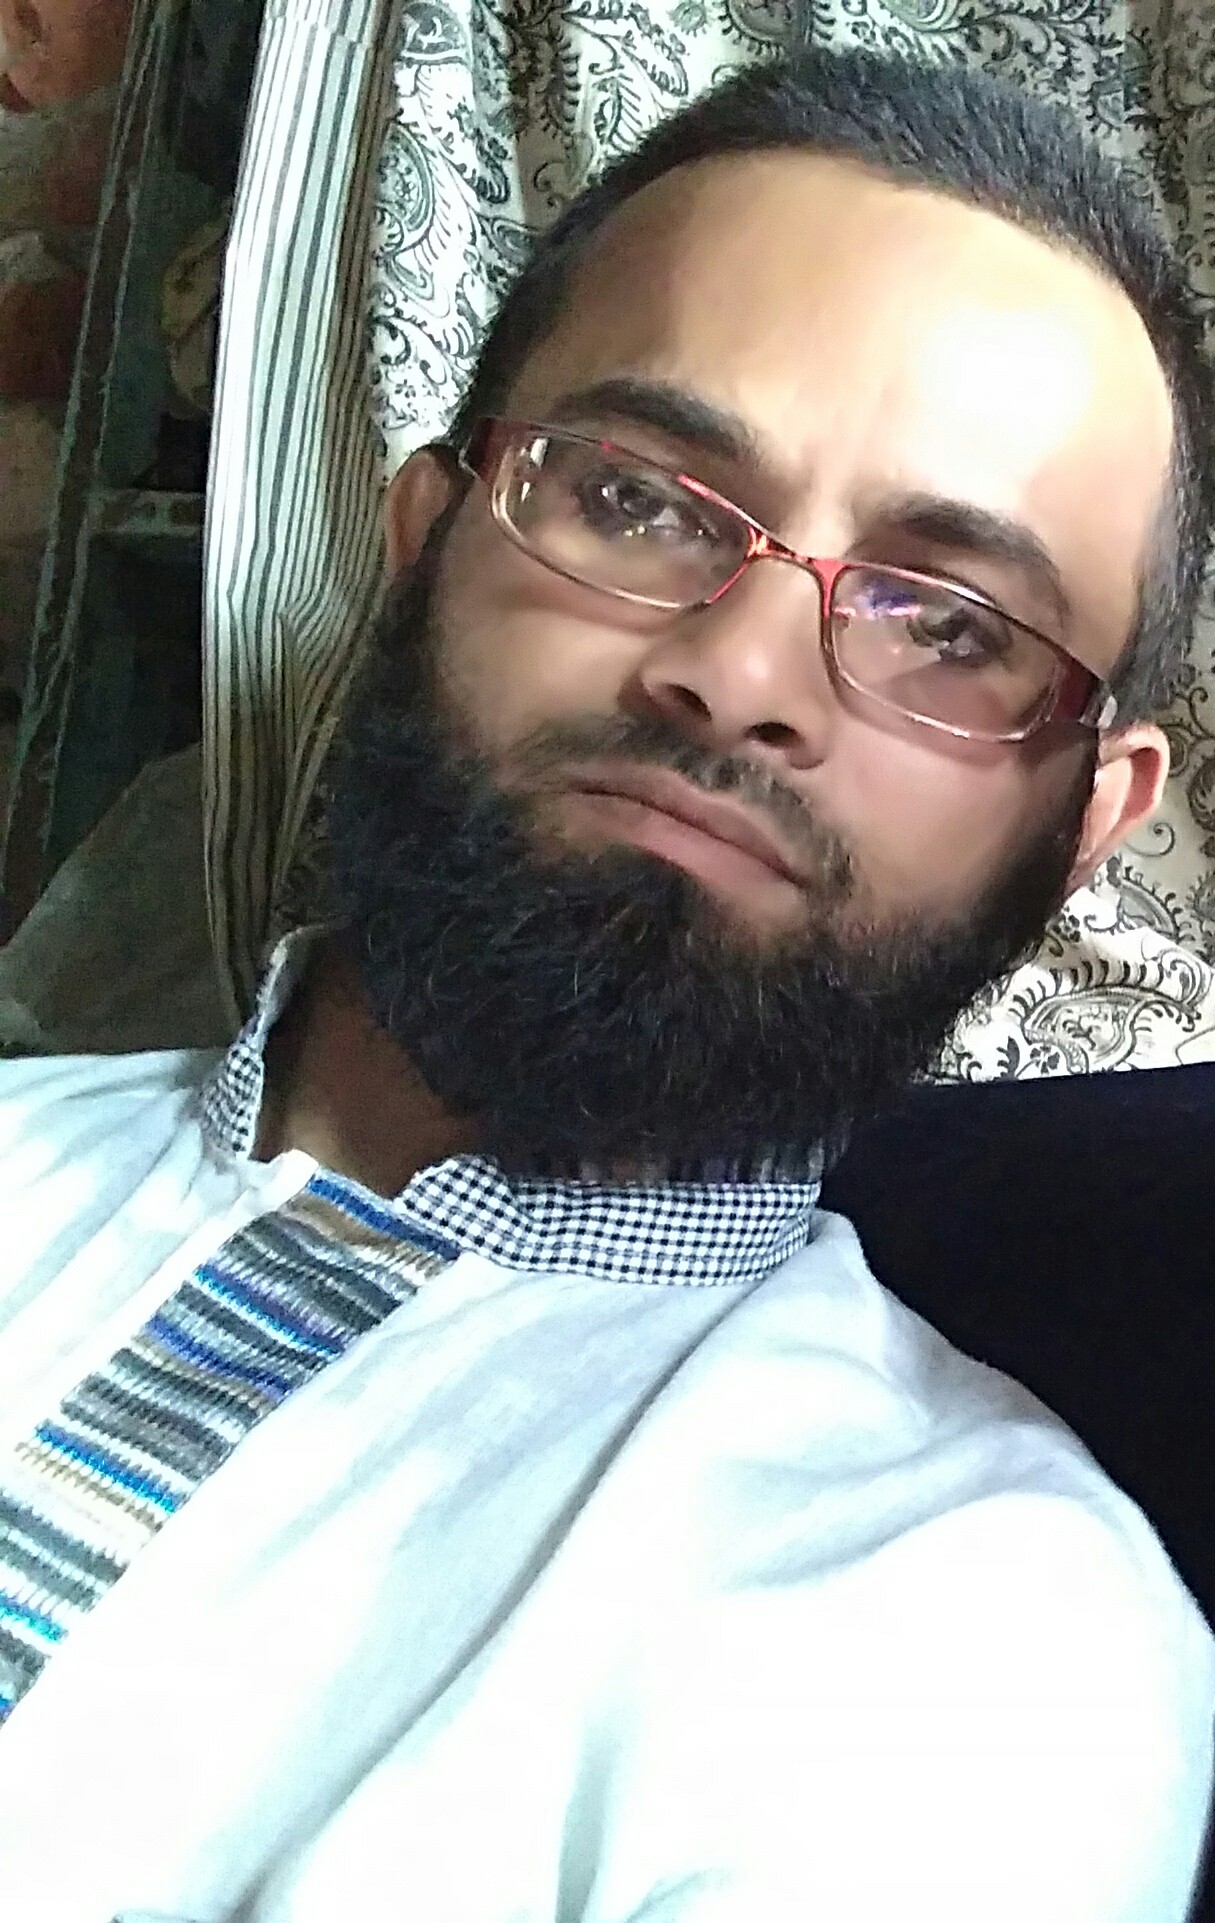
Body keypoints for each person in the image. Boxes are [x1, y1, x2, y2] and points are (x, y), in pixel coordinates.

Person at [0, 42, 1211, 1922]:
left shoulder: (987, 1665)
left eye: (954, 623)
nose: (742, 673)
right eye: (643, 501)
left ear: (1083, 827)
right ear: (421, 547)